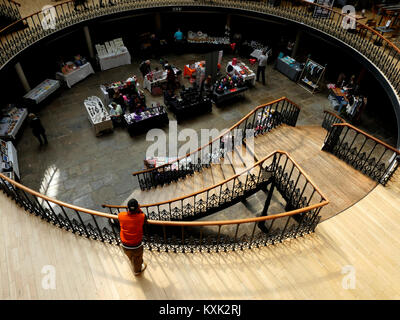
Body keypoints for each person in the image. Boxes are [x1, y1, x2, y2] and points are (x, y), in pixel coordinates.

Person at [118, 199, 147, 275]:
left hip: (124, 244)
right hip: (136, 246)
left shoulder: (121, 215)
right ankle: (137, 271)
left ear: (127, 208)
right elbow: (144, 217)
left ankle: (133, 262)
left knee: (130, 256)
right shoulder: (141, 217)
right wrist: (139, 209)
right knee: (138, 258)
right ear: (138, 207)